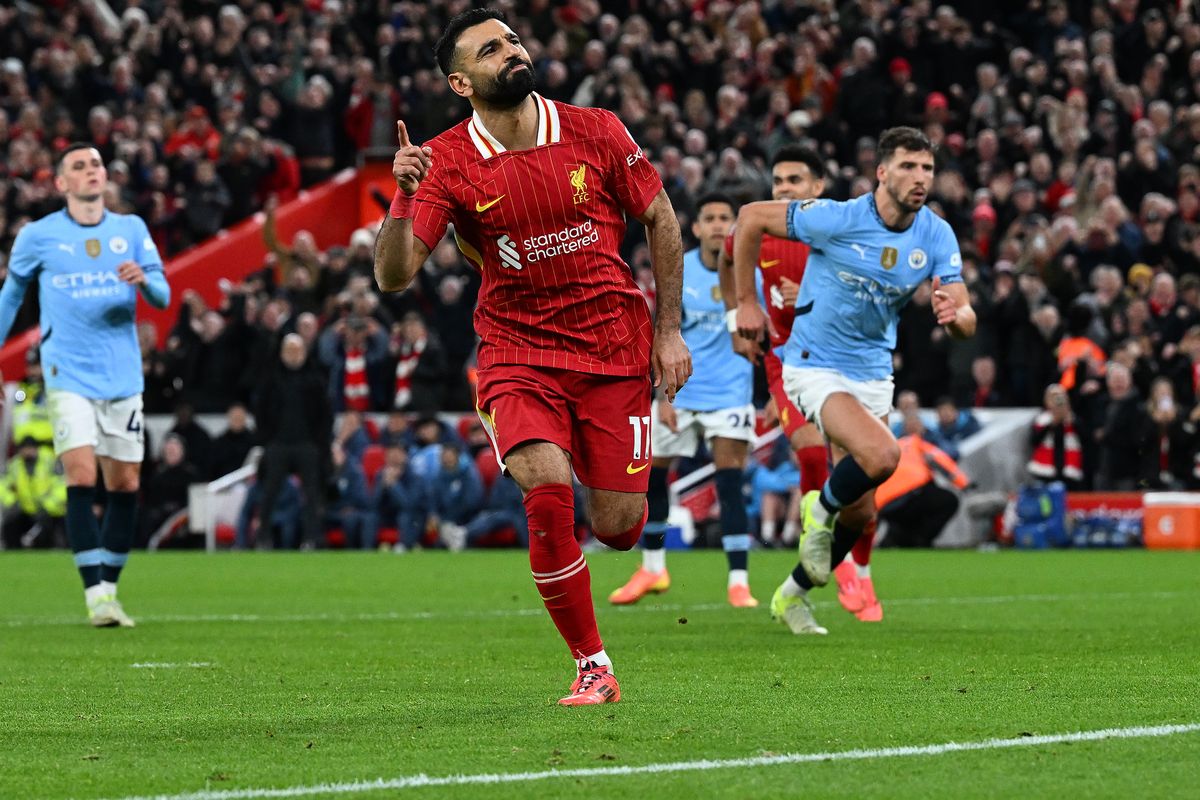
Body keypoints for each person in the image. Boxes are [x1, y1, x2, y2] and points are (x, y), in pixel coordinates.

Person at [374, 8, 690, 705]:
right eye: (491, 49)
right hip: (518, 352)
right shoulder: (444, 161)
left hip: (613, 348)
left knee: (618, 528)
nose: (511, 52)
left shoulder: (596, 129)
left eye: (512, 40)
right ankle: (593, 665)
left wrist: (668, 331)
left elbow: (661, 216)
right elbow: (394, 275)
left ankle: (616, 511)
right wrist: (403, 196)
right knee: (546, 493)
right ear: (461, 82)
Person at [733, 126, 975, 635]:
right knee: (884, 455)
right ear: (882, 173)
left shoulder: (936, 234)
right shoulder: (838, 217)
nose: (920, 177)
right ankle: (818, 512)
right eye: (908, 166)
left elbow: (965, 313)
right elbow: (750, 217)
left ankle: (792, 593)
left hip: (873, 372)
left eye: (927, 168)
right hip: (813, 363)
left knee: (862, 511)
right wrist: (747, 304)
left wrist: (957, 317)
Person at [0, 142, 171, 627]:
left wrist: (144, 280)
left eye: (96, 164)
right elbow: (11, 296)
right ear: (61, 183)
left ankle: (110, 589)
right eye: (79, 166)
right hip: (67, 373)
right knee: (79, 475)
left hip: (121, 373)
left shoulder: (130, 230)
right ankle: (95, 594)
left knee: (125, 484)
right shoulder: (38, 236)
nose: (92, 171)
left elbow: (162, 296)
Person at [609, 193, 758, 608]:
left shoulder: (749, 272)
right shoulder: (680, 270)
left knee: (730, 484)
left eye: (724, 217)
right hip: (680, 391)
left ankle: (739, 582)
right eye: (710, 218)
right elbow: (660, 333)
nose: (717, 225)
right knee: (651, 478)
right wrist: (661, 396)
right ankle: (653, 569)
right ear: (696, 227)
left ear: (735, 225)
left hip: (731, 392)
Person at [254, 334, 332, 549]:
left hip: (307, 445)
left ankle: (311, 538)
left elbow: (326, 415)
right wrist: (267, 440)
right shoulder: (271, 379)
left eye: (297, 351)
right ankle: (263, 537)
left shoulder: (315, 380)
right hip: (278, 444)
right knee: (269, 492)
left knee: (312, 494)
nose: (293, 355)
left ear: (304, 353)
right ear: (281, 353)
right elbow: (260, 410)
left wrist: (319, 444)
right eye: (289, 350)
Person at [875, 414, 971, 548]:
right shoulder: (918, 443)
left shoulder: (892, 447)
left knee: (916, 508)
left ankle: (896, 538)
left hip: (883, 503)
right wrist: (964, 484)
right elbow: (942, 461)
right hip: (912, 491)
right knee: (949, 500)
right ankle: (920, 540)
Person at [0, 436, 66, 549]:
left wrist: (47, 506)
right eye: (25, 449)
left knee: (46, 532)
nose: (28, 452)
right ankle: (13, 550)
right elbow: (2, 485)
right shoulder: (14, 465)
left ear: (37, 449)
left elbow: (62, 486)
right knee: (10, 525)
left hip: (48, 510)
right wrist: (12, 502)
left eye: (30, 448)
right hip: (23, 509)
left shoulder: (49, 462)